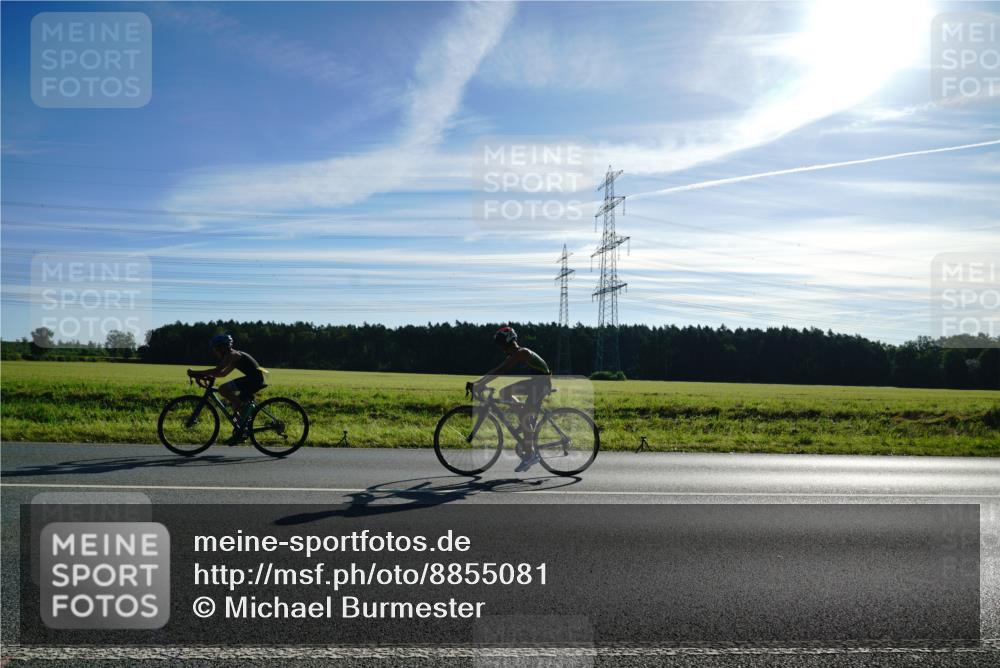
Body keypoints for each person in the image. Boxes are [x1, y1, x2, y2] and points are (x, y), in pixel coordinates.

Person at [472, 326, 552, 472]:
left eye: (502, 343)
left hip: (541, 384)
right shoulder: (516, 353)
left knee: (525, 417)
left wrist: (480, 383)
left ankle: (530, 455)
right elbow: (498, 369)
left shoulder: (521, 352)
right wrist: (479, 382)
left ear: (509, 341)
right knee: (505, 393)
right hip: (536, 382)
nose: (501, 347)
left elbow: (501, 370)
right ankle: (525, 419)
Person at [188, 334, 266, 445]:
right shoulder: (233, 356)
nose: (215, 351)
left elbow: (217, 370)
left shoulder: (232, 355)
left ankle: (241, 412)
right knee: (235, 406)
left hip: (254, 380)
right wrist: (204, 376)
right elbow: (222, 373)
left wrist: (196, 372)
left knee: (223, 389)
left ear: (223, 347)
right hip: (254, 380)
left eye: (216, 348)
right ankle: (241, 432)